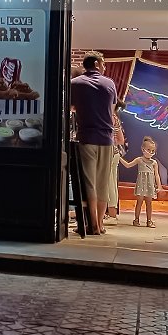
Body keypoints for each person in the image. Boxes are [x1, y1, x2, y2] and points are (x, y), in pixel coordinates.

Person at [70, 51, 118, 235]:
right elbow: (111, 110)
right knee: (103, 183)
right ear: (97, 64)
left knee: (89, 183)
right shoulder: (110, 83)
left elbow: (71, 107)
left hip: (86, 137)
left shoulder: (76, 83)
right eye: (103, 63)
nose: (104, 67)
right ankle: (100, 224)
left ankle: (92, 225)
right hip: (107, 138)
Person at [119, 136, 163, 227]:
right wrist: (119, 158)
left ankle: (149, 221)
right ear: (143, 149)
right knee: (139, 202)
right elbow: (128, 165)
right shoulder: (139, 160)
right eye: (149, 150)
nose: (150, 152)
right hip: (141, 184)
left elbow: (157, 175)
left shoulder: (154, 162)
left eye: (152, 151)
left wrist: (159, 186)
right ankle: (136, 219)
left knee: (149, 203)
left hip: (150, 185)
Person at [104, 101, 127, 226]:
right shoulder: (115, 117)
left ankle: (110, 214)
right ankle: (112, 214)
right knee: (112, 183)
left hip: (109, 153)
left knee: (108, 184)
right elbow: (121, 140)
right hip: (115, 153)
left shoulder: (108, 117)